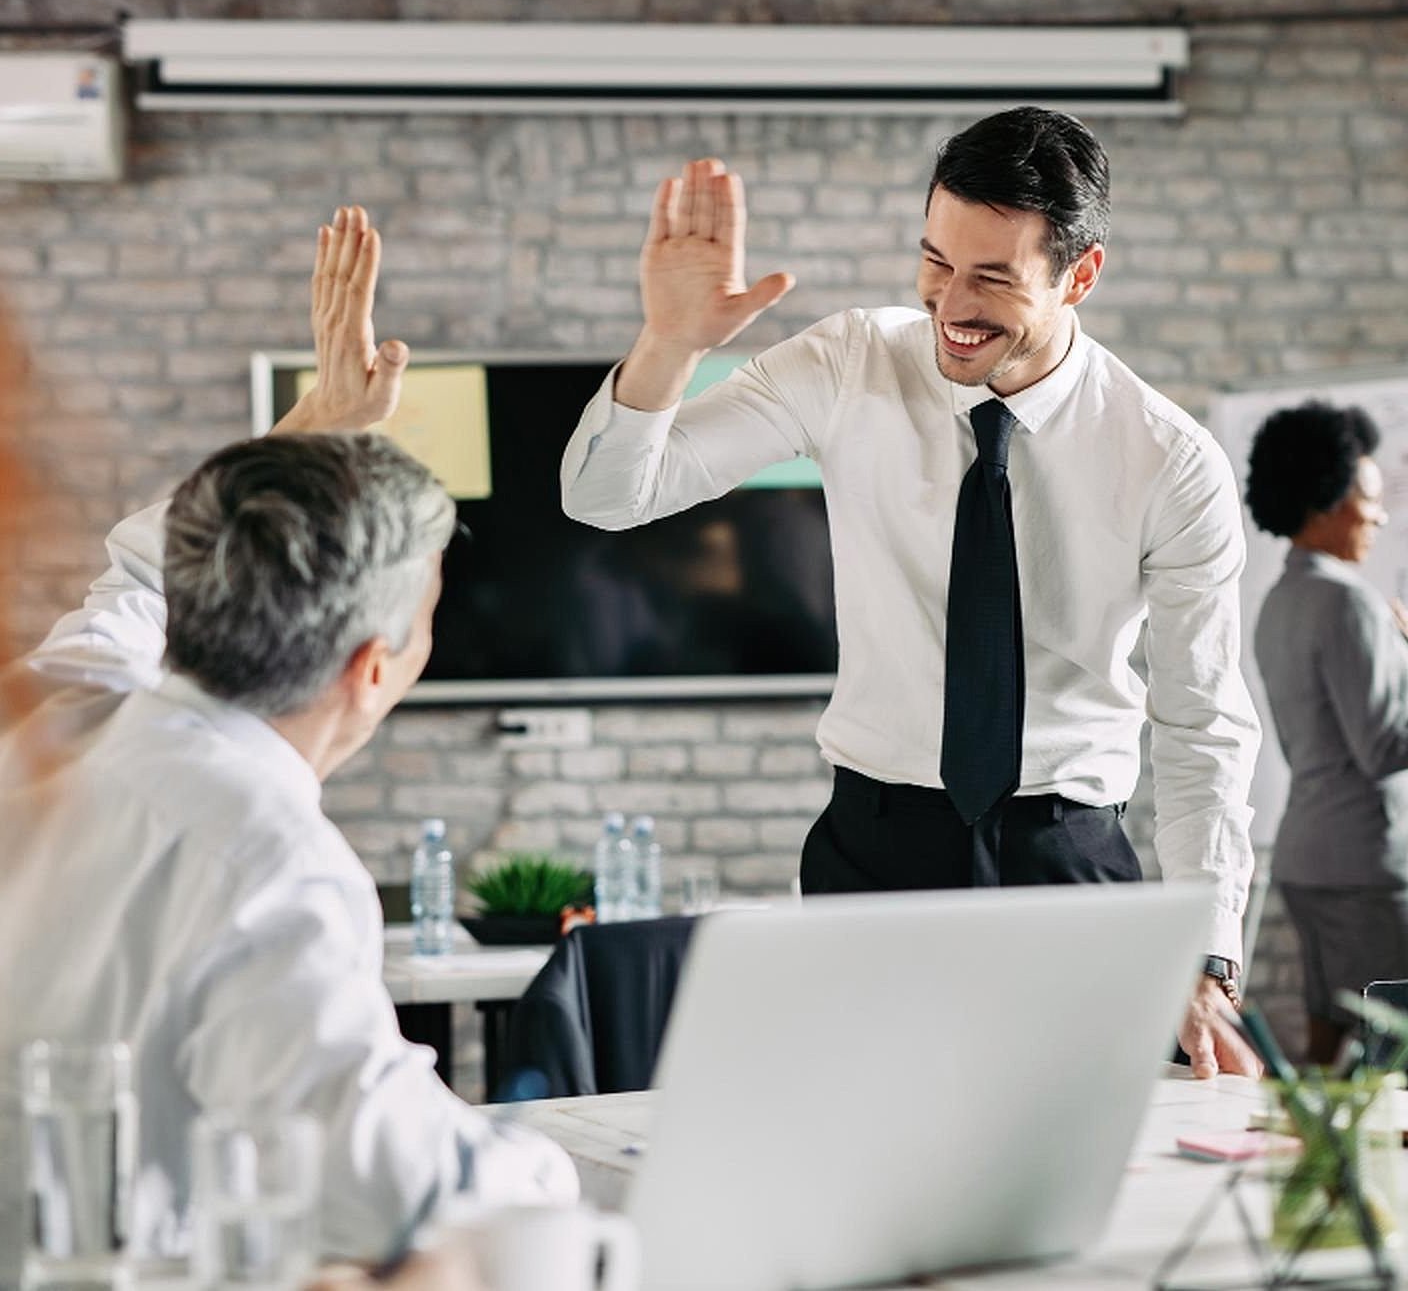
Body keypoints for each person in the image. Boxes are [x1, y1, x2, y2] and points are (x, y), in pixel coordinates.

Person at [561, 106, 1262, 1077]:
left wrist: (1208, 951)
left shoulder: (1168, 460)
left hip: (1066, 861)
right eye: (934, 260)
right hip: (876, 851)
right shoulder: (847, 361)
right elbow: (606, 495)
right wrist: (668, 345)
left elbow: (1202, 725)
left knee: (1075, 1176)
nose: (950, 304)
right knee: (864, 1171)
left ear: (1080, 274)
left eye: (991, 276)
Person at [0, 207, 577, 1276]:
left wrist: (315, 424)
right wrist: (555, 1169)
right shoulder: (270, 863)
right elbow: (392, 1185)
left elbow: (139, 572)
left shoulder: (56, 714)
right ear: (374, 667)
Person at [1247, 400, 1408, 1065]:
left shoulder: (1280, 599)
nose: (1380, 514)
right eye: (1369, 497)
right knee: (1391, 1053)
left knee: (1327, 1035)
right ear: (1328, 498)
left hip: (1307, 858)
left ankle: (1306, 1166)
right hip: (1364, 868)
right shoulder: (1348, 601)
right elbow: (1382, 746)